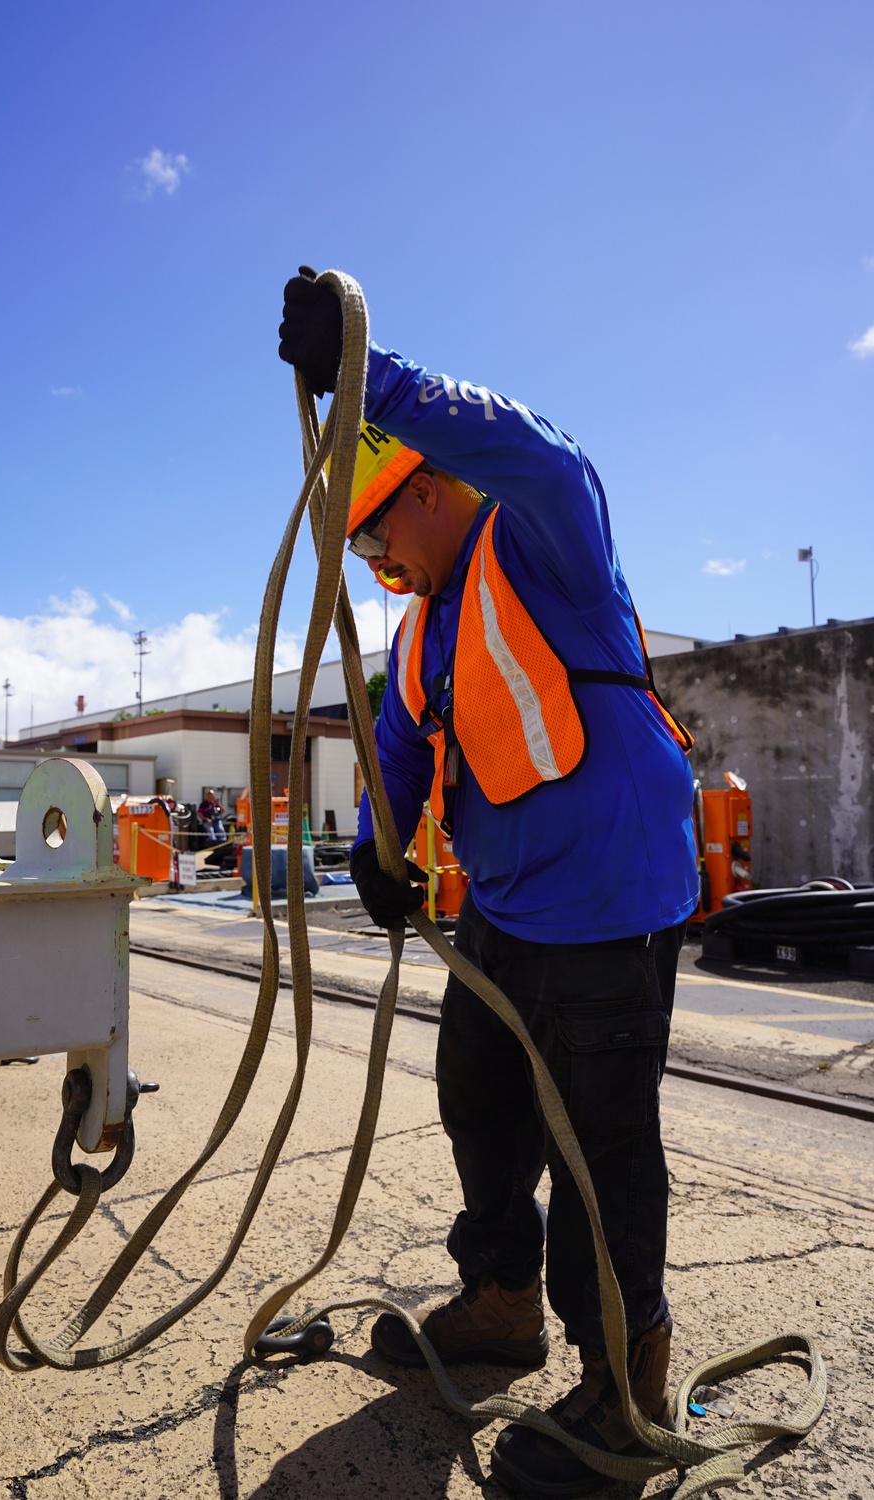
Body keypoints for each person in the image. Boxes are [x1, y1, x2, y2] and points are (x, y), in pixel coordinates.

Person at [278, 270, 698, 1499]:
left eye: (372, 536)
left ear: (433, 485)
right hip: (505, 916)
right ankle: (503, 1305)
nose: (371, 565)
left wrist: (374, 376)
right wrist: (380, 846)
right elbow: (400, 756)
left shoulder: (543, 538)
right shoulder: (423, 637)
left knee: (600, 1149)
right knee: (478, 1101)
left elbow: (546, 453)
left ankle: (625, 1390)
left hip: (608, 911)